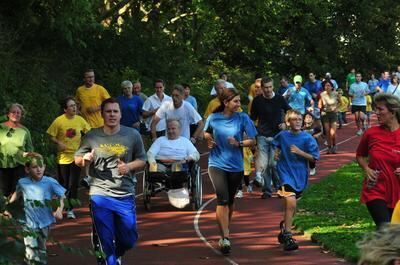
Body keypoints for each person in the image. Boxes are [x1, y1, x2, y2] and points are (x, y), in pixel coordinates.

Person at [75, 98, 147, 265]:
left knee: (129, 239)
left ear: (121, 114)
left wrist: (128, 167)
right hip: (100, 193)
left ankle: (117, 252)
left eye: (115, 111)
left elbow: (142, 159)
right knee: (106, 241)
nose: (112, 115)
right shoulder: (92, 135)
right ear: (102, 114)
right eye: (108, 111)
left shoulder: (132, 135)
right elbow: (77, 159)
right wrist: (84, 158)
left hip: (124, 192)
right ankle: (109, 258)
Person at [204, 88, 257, 254]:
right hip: (216, 163)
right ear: (226, 103)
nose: (238, 104)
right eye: (235, 101)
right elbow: (206, 133)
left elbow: (253, 140)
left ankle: (226, 229)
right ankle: (225, 237)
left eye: (239, 101)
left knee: (231, 201)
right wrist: (209, 141)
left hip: (236, 166)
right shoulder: (214, 118)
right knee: (223, 199)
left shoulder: (242, 118)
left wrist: (239, 143)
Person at [274, 109, 320, 251]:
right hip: (284, 173)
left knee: (292, 207)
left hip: (300, 175)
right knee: (291, 203)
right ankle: (288, 236)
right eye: (294, 119)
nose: (298, 122)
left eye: (300, 119)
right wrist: (276, 153)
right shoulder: (282, 135)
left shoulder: (307, 138)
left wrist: (300, 153)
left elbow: (314, 157)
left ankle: (284, 227)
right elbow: (274, 144)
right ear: (288, 122)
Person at [8, 154, 66, 265]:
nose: (38, 169)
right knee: (31, 252)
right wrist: (9, 207)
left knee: (41, 249)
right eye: (34, 167)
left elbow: (62, 196)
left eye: (41, 166)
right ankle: (30, 259)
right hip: (28, 222)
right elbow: (17, 194)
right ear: (27, 169)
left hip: (45, 221)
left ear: (44, 167)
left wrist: (59, 209)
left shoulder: (50, 182)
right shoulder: (22, 182)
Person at [356, 93, 400, 229]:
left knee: (395, 233)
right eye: (376, 109)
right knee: (386, 230)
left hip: (398, 191)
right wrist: (366, 169)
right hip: (375, 189)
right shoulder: (371, 133)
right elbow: (360, 155)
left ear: (392, 112)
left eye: (380, 109)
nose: (376, 113)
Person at [46, 97, 91, 219]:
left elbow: (89, 133)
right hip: (63, 158)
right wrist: (58, 143)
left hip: (76, 156)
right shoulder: (59, 121)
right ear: (65, 109)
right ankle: (60, 206)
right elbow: (50, 135)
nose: (74, 108)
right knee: (63, 184)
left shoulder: (80, 120)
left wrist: (86, 145)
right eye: (71, 106)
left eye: (75, 105)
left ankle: (70, 209)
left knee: (73, 184)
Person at [250, 77, 291, 199]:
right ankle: (267, 190)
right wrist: (251, 133)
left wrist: (285, 123)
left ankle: (279, 186)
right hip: (262, 135)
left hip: (277, 135)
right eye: (265, 87)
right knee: (265, 165)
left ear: (273, 87)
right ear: (262, 88)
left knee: (273, 163)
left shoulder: (279, 99)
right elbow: (252, 118)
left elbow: (289, 111)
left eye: (270, 87)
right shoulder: (257, 101)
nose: (268, 90)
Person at [0, 103, 34, 198]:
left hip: (19, 164)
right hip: (2, 164)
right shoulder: (1, 128)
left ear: (21, 115)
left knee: (16, 191)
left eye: (18, 113)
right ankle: (4, 211)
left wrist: (29, 163)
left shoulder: (25, 130)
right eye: (13, 112)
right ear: (8, 114)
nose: (16, 114)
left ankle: (13, 211)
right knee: (3, 190)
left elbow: (30, 148)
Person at [318, 80, 341, 154]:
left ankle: (334, 145)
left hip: (333, 114)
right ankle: (329, 147)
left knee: (332, 133)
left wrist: (336, 108)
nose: (327, 87)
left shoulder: (336, 94)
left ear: (331, 87)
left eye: (328, 85)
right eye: (326, 86)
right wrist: (321, 108)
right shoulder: (322, 94)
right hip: (325, 114)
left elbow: (340, 102)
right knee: (327, 132)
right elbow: (320, 104)